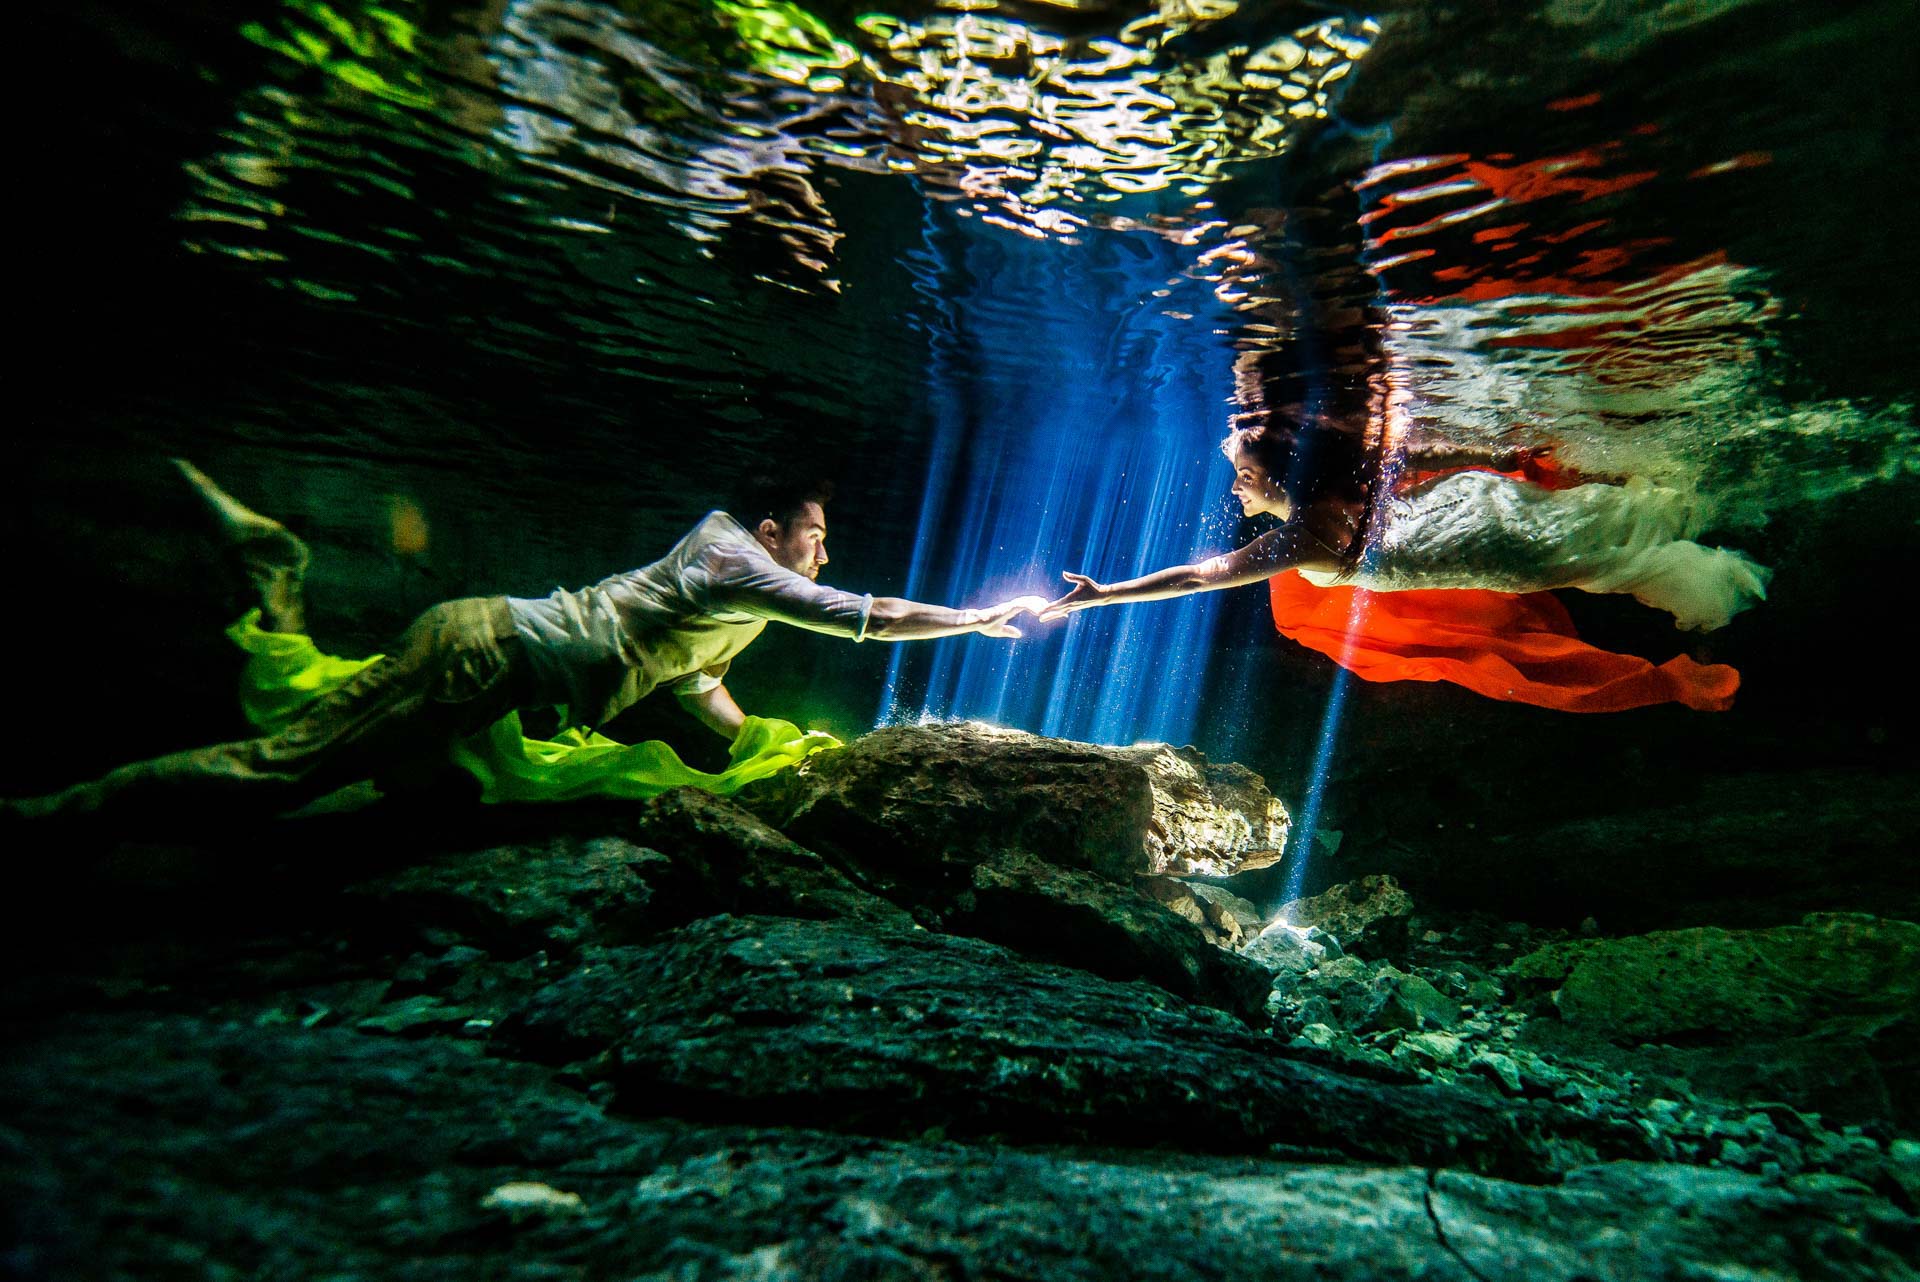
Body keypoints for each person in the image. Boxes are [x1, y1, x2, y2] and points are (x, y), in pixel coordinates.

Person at [10, 463, 1045, 826]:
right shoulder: (732, 557)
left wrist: (779, 754)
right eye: (817, 539)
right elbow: (865, 616)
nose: (826, 556)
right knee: (278, 769)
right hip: (487, 653)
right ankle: (49, 817)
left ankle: (278, 580)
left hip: (492, 676)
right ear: (775, 532)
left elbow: (697, 696)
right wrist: (982, 614)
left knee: (396, 782)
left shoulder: (737, 601)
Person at [1040, 424, 1772, 712]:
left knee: (1634, 535)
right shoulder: (1338, 486)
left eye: (1244, 473)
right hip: (1504, 520)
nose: (1234, 488)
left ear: (1273, 474)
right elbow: (1421, 455)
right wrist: (1506, 457)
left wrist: (1104, 595)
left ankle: (1729, 508)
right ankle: (1729, 493)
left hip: (1519, 540)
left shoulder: (1303, 543)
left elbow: (1202, 576)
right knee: (1645, 521)